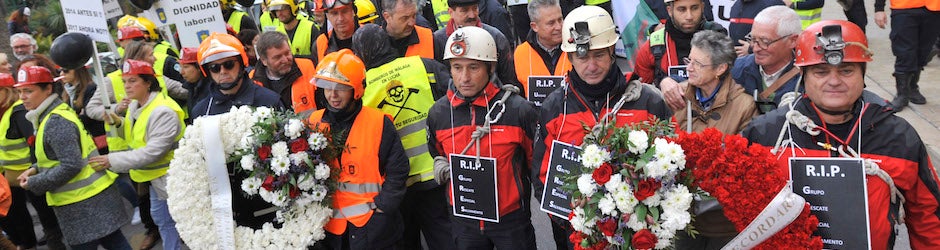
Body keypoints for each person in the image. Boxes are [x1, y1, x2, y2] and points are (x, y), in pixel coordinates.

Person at [742, 20, 940, 250]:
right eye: (821, 71)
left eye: (846, 70)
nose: (834, 81)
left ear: (863, 74)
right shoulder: (766, 134)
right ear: (804, 76)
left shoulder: (898, 138)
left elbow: (929, 217)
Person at [533, 6, 673, 249]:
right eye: (582, 57)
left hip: (637, 232)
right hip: (580, 232)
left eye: (599, 55)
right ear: (570, 57)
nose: (591, 65)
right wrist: (569, 220)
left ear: (611, 51)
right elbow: (542, 175)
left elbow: (670, 164)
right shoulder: (555, 107)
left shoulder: (648, 100)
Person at [427, 26, 538, 250]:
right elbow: (437, 153)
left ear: (490, 68)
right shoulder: (438, 114)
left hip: (511, 221)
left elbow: (533, 162)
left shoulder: (518, 110)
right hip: (464, 220)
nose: (464, 77)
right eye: (457, 68)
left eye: (473, 67)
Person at [350, 23, 454, 250]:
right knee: (445, 238)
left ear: (360, 55)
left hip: (396, 184)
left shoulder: (362, 88)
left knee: (407, 241)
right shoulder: (423, 66)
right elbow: (455, 101)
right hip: (436, 174)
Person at [15, 65, 131, 250]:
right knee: (115, 242)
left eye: (28, 91)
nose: (22, 97)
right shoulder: (54, 113)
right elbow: (57, 156)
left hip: (82, 204)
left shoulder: (55, 121)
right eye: (20, 91)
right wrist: (35, 168)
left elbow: (71, 165)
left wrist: (34, 182)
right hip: (90, 199)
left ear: (48, 89)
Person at [310, 49, 409, 249]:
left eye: (340, 87)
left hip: (375, 228)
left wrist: (382, 208)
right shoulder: (313, 122)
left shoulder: (379, 122)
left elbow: (398, 171)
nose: (332, 94)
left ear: (356, 89)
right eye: (327, 87)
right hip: (331, 228)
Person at [87, 60, 185, 250]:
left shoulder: (163, 110)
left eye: (132, 81)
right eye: (125, 81)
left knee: (184, 221)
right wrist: (118, 123)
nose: (127, 86)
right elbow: (136, 136)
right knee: (162, 220)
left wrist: (111, 160)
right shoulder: (136, 105)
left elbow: (151, 153)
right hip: (156, 179)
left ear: (148, 82)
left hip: (172, 178)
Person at [635, 0, 726, 112]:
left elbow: (730, 84)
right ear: (670, 10)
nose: (689, 16)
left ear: (702, 7)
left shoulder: (719, 37)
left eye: (694, 8)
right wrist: (661, 84)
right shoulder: (654, 44)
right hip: (669, 120)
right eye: (682, 9)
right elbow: (640, 93)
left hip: (713, 116)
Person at [433, 0, 520, 91]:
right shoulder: (438, 40)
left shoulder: (495, 37)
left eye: (475, 8)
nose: (472, 15)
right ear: (451, 12)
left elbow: (508, 80)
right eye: (465, 10)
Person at [730, 6, 802, 114]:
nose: (755, 48)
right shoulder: (736, 70)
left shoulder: (808, 78)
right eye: (753, 39)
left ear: (792, 41)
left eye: (765, 41)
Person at [192, 33, 284, 117]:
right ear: (208, 72)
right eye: (214, 67)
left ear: (241, 64)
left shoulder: (270, 100)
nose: (222, 71)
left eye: (229, 64)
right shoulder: (201, 112)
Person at [875, 0, 940, 110]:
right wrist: (879, 8)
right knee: (904, 52)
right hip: (904, 8)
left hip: (934, 8)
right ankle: (902, 94)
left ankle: (912, 87)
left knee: (924, 51)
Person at [250, 31, 322, 116]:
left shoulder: (308, 67)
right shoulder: (252, 80)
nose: (285, 60)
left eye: (287, 53)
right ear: (264, 60)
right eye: (277, 57)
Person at [513, 0, 570, 99]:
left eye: (560, 20)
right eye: (551, 23)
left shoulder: (574, 49)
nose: (559, 26)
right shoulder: (521, 53)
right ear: (535, 27)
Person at [58, 67, 108, 154]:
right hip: (83, 142)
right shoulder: (66, 92)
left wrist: (74, 117)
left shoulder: (90, 88)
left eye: (66, 70)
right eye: (59, 71)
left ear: (78, 70)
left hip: (97, 141)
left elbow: (88, 116)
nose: (61, 74)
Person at [178, 47, 211, 119]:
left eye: (186, 67)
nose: (181, 72)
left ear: (199, 67)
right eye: (181, 67)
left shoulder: (211, 89)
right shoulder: (192, 87)